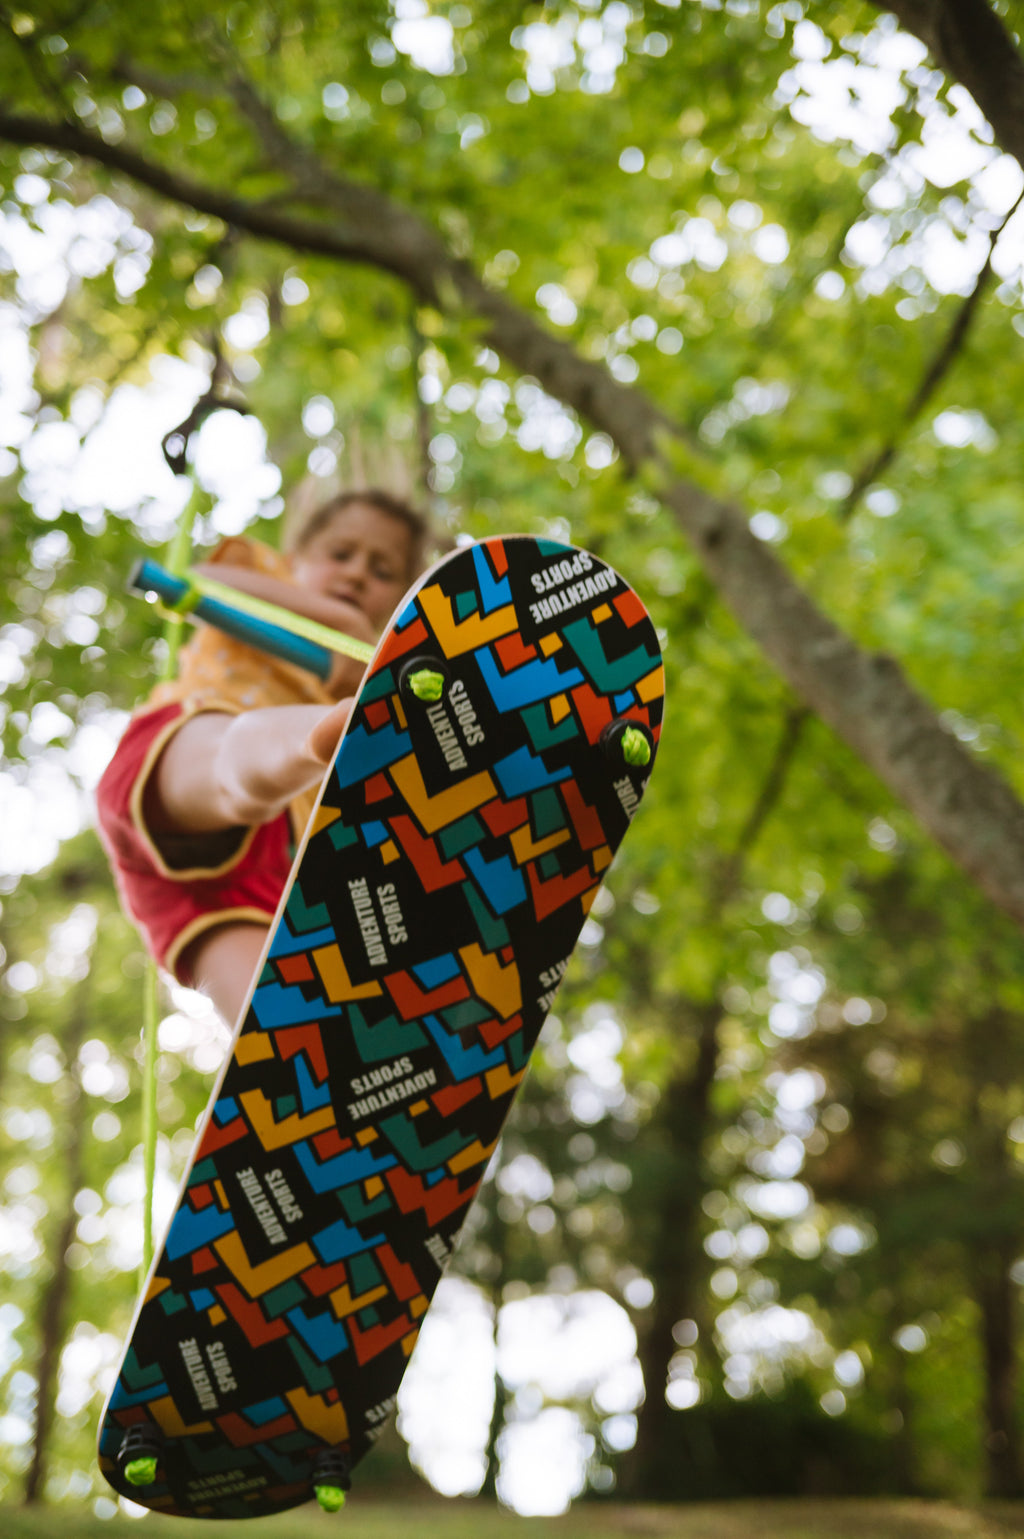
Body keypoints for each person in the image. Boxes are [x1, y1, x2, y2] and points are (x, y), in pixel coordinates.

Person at [96, 488, 430, 1029]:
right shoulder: (266, 577)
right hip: (179, 763)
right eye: (340, 554)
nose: (357, 574)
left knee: (279, 1023)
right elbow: (206, 580)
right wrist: (331, 618)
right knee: (237, 763)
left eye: (382, 571)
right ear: (295, 560)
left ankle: (313, 1063)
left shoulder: (375, 672)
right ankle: (317, 735)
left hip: (260, 870)